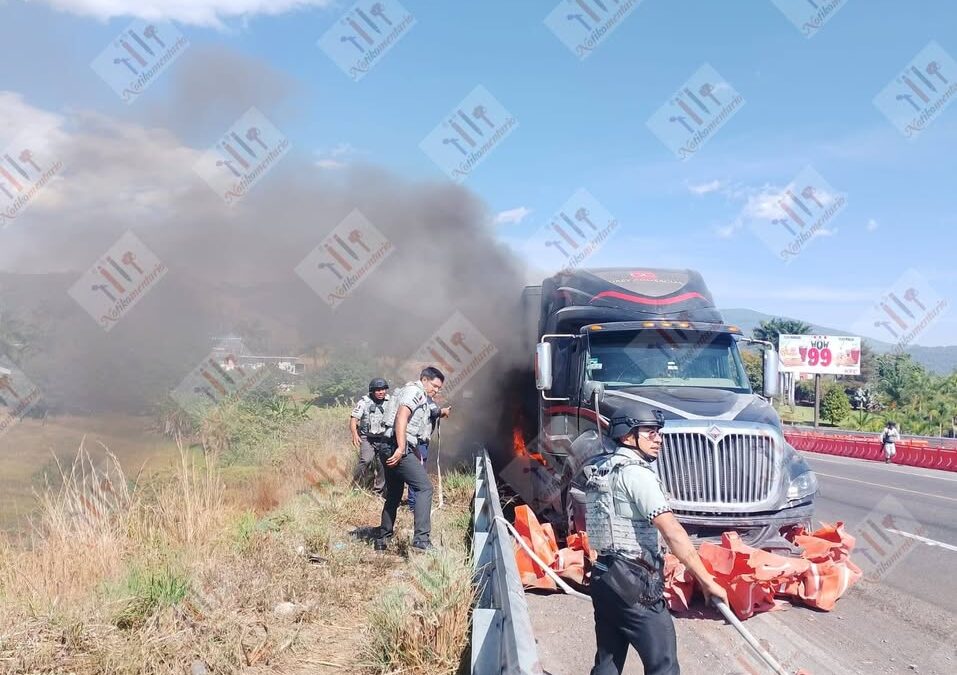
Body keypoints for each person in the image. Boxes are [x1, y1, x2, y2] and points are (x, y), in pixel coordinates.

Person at [582, 401, 729, 675]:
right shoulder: (637, 475)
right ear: (628, 436)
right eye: (649, 432)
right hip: (633, 582)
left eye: (658, 432)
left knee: (608, 661)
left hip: (603, 575)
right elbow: (672, 531)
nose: (658, 439)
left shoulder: (602, 470)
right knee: (663, 665)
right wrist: (706, 581)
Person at [376, 367, 444, 552]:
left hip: (388, 445)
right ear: (424, 379)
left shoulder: (412, 391)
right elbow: (401, 417)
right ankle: (421, 540)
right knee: (424, 488)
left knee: (394, 494)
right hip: (396, 446)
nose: (436, 391)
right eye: (435, 386)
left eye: (439, 388)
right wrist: (400, 447)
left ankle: (383, 538)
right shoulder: (416, 392)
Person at [407, 396, 451, 511]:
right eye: (436, 388)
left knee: (416, 471)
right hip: (418, 442)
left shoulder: (419, 399)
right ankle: (413, 505)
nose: (438, 393)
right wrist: (443, 411)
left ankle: (412, 503)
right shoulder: (426, 400)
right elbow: (435, 412)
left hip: (416, 441)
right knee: (418, 473)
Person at [349, 378, 389, 495]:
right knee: (366, 460)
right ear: (372, 391)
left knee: (383, 464)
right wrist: (354, 434)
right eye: (378, 390)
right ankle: (356, 486)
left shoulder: (390, 401)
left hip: (383, 438)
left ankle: (379, 491)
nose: (381, 392)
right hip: (367, 437)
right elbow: (353, 419)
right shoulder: (364, 402)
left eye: (383, 390)